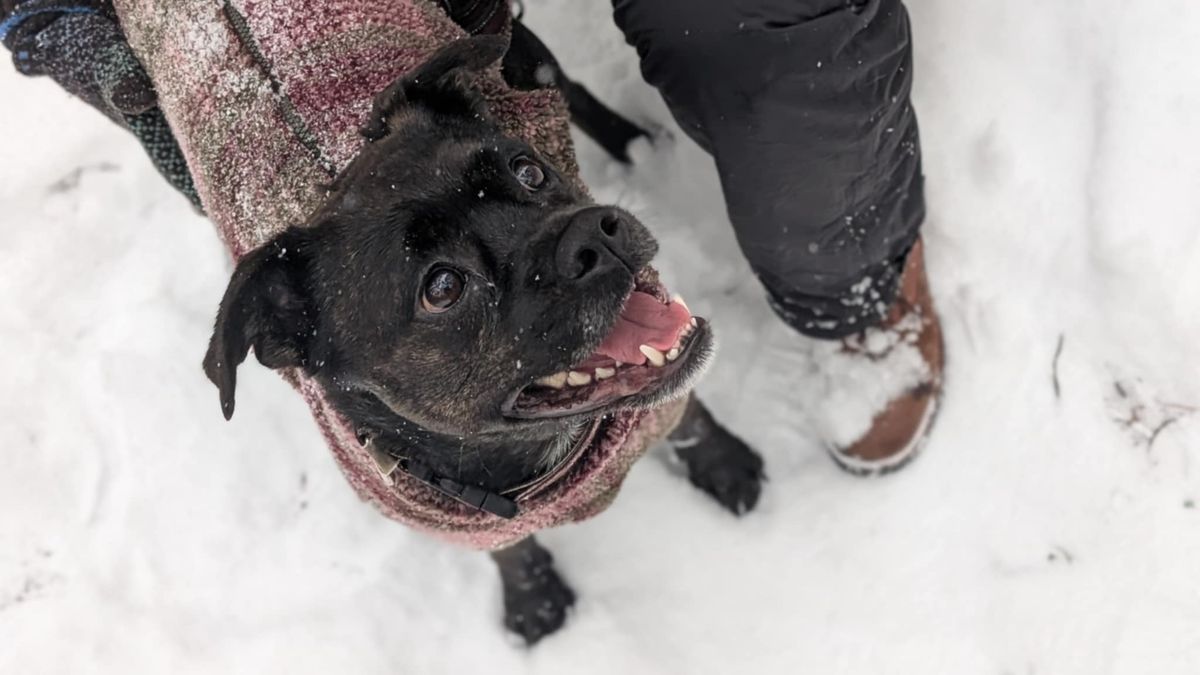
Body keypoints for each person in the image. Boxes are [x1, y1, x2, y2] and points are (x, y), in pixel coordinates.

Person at [2, 0, 942, 476]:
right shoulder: (310, 307)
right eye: (442, 285)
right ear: (296, 345)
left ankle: (827, 297)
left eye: (529, 182)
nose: (599, 232)